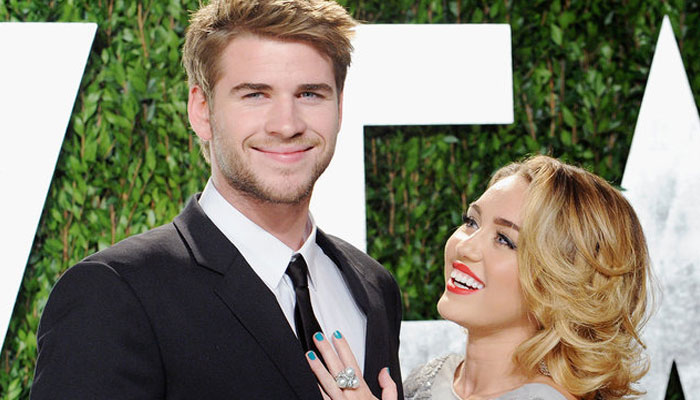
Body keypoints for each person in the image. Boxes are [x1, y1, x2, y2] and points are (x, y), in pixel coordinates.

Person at [30, 0, 403, 398]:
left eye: (310, 94)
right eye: (255, 95)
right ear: (202, 111)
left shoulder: (373, 286)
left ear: (340, 107)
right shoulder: (114, 292)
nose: (287, 125)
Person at [307, 155, 653, 400]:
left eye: (505, 240)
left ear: (562, 281)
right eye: (471, 221)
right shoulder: (428, 379)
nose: (465, 246)